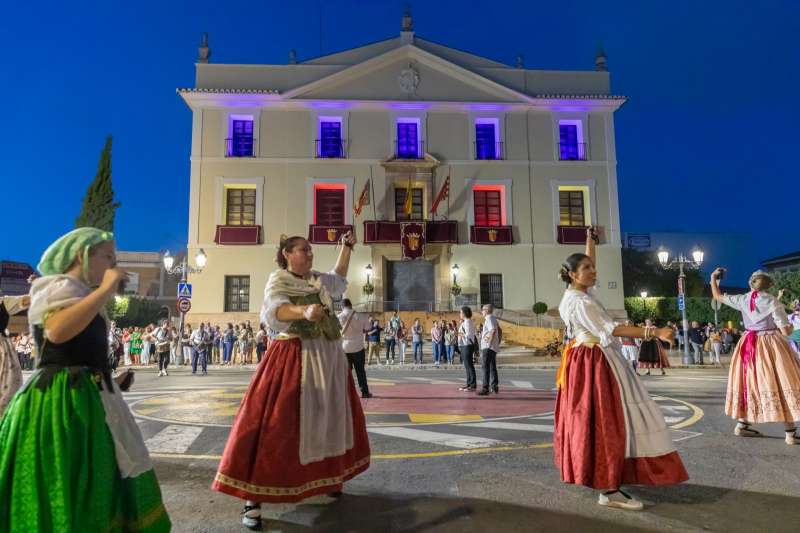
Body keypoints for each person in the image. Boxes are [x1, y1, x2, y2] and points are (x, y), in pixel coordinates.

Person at [0, 227, 170, 531]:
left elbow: (83, 351)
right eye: (108, 257)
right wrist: (106, 289)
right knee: (68, 478)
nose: (113, 265)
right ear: (82, 255)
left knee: (101, 478)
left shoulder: (80, 293)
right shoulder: (55, 287)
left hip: (90, 397)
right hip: (59, 401)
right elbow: (57, 331)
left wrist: (113, 381)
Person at [212, 233, 370, 530]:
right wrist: (303, 311)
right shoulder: (279, 280)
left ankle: (327, 476)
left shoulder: (316, 279)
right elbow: (275, 310)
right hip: (294, 358)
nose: (309, 254)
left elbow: (338, 277)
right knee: (275, 425)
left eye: (310, 250)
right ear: (287, 253)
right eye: (303, 250)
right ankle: (253, 498)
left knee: (328, 420)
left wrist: (346, 248)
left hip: (328, 359)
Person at [555, 226, 688, 511]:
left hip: (592, 359)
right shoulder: (580, 302)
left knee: (613, 420)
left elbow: (587, 268)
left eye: (592, 266)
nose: (593, 271)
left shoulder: (579, 294)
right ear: (573, 275)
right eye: (587, 268)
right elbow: (612, 328)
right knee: (607, 421)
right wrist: (655, 332)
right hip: (594, 362)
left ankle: (611, 478)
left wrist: (590, 242)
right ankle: (609, 488)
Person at [710, 269, 800, 444]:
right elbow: (785, 330)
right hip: (771, 344)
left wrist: (713, 278)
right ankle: (790, 433)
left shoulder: (742, 299)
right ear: (770, 285)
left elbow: (717, 295)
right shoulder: (773, 302)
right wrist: (790, 327)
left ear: (751, 284)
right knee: (782, 382)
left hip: (748, 345)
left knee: (750, 383)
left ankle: (742, 426)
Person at [0, 295, 29, 415]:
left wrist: (39, 288)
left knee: (6, 391)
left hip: (2, 351)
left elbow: (25, 300)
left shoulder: (3, 302)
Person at [338, 298, 372, 398]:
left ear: (342, 306)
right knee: (360, 371)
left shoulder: (339, 316)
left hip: (344, 347)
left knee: (345, 372)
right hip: (358, 346)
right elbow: (368, 328)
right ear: (351, 305)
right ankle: (364, 392)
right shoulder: (361, 316)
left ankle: (346, 393)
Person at [477, 305, 501, 395]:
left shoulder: (489, 318)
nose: (481, 311)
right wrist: (497, 342)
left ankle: (485, 388)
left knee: (485, 367)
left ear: (486, 310)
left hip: (488, 347)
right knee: (492, 367)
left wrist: (489, 343)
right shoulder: (493, 318)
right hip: (492, 347)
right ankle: (494, 387)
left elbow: (493, 330)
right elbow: (499, 330)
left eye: (482, 310)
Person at [457, 306, 478, 391]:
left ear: (464, 313)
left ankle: (472, 385)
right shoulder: (465, 322)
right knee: (467, 366)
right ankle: (469, 384)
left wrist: (458, 334)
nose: (460, 314)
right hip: (464, 345)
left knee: (469, 366)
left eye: (461, 312)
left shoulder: (468, 322)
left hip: (467, 346)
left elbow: (468, 335)